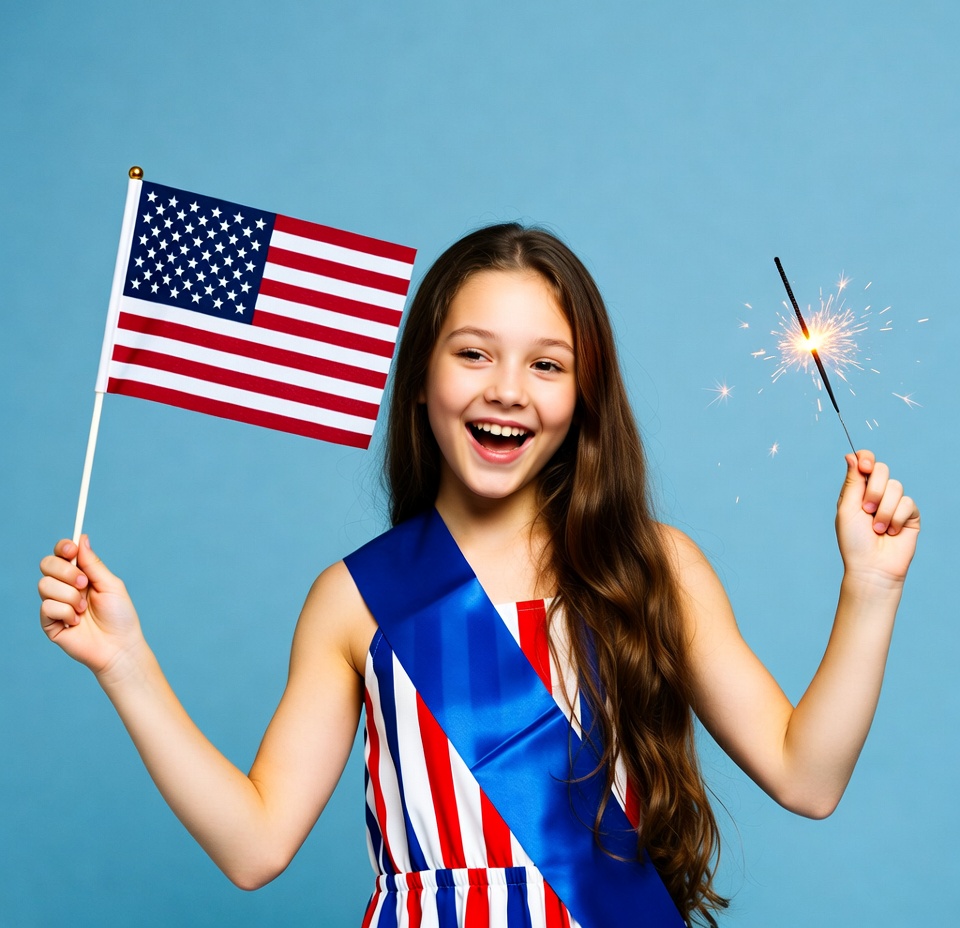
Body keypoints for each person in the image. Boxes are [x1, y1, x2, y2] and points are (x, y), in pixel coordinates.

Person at [38, 224, 920, 928]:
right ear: (421, 378)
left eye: (547, 364)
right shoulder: (355, 601)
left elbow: (808, 779)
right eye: (473, 354)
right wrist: (127, 665)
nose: (507, 390)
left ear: (583, 398)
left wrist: (870, 590)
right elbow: (255, 846)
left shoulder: (655, 568)